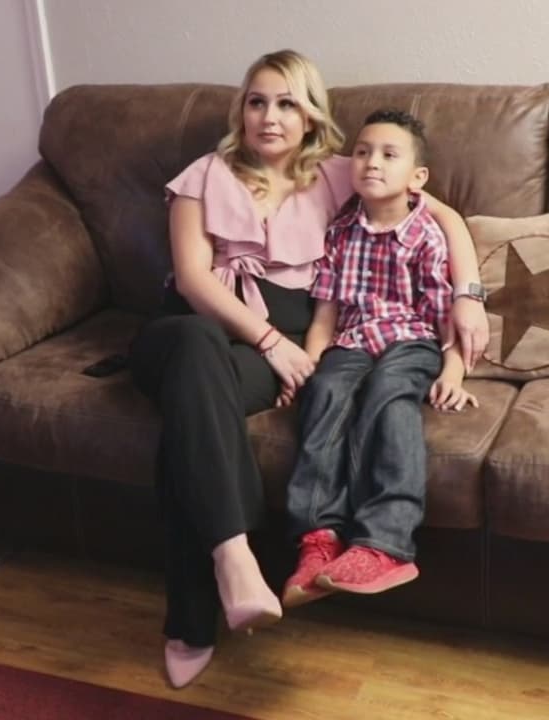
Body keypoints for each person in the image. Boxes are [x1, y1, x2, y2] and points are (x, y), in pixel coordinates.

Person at [128, 51, 489, 689]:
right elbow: (191, 280)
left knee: (193, 418)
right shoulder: (202, 176)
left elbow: (444, 215)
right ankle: (234, 555)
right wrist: (271, 342)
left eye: (287, 103)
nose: (269, 117)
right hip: (195, 330)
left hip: (278, 348)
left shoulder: (340, 173)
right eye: (257, 101)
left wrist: (468, 295)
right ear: (241, 111)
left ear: (311, 117)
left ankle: (194, 614)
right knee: (192, 348)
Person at [281, 109, 480, 611]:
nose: (372, 162)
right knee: (326, 391)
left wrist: (454, 370)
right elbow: (325, 314)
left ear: (418, 177)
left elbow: (445, 317)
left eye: (390, 155)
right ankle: (318, 538)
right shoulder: (340, 230)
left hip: (410, 340)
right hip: (351, 341)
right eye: (363, 152)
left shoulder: (426, 234)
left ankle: (385, 543)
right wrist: (307, 366)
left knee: (389, 392)